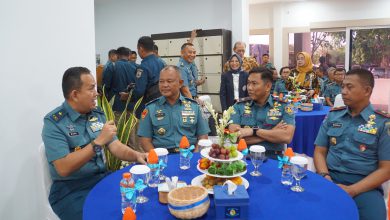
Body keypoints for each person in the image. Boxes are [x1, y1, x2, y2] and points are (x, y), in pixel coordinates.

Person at [42, 67, 147, 220]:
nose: (97, 93)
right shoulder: (54, 123)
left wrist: (136, 155)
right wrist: (97, 142)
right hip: (72, 190)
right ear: (75, 95)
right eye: (91, 89)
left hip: (102, 179)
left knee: (138, 202)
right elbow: (63, 168)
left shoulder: (97, 114)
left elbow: (115, 146)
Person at [314, 68, 390, 220]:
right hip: (329, 178)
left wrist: (353, 190)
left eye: (349, 87)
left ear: (367, 90)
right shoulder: (333, 116)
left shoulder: (382, 123)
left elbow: (386, 168)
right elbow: (319, 151)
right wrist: (325, 177)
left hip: (365, 186)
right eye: (343, 86)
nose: (343, 91)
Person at [138, 65, 210, 153]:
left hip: (189, 154)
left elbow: (203, 136)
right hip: (162, 157)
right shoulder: (150, 109)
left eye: (169, 81)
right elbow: (145, 140)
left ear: (180, 83)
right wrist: (156, 158)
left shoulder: (194, 107)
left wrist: (194, 156)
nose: (164, 85)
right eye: (161, 81)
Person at [229, 67, 295, 159]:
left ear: (268, 86)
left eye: (254, 83)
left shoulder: (284, 106)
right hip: (245, 157)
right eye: (248, 83)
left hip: (273, 158)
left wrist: (253, 131)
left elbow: (286, 137)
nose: (249, 88)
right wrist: (272, 133)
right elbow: (234, 138)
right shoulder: (239, 106)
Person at [102, 47, 137, 112]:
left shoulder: (111, 67)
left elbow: (106, 86)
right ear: (129, 55)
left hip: (115, 104)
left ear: (117, 55)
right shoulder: (136, 67)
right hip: (131, 103)